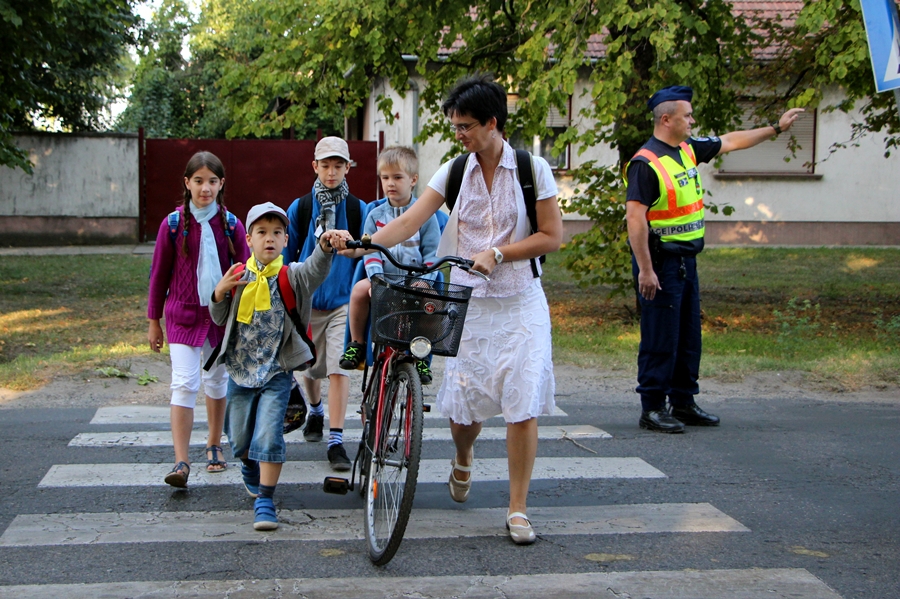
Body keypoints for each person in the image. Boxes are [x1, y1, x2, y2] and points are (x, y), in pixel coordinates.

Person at [335, 74, 563, 545]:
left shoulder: (532, 168)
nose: (458, 134)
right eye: (455, 126)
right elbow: (409, 221)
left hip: (521, 301)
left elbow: (551, 236)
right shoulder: (454, 171)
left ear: (492, 123)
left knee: (522, 403)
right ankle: (464, 455)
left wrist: (500, 253)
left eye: (465, 126)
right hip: (470, 301)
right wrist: (360, 243)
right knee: (465, 411)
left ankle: (517, 508)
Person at [625, 85, 804, 433]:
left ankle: (683, 401)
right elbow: (635, 220)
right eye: (687, 115)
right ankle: (652, 407)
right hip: (660, 263)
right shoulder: (645, 163)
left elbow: (733, 140)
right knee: (660, 336)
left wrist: (777, 128)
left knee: (689, 335)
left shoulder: (687, 149)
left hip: (685, 262)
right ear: (667, 119)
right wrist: (645, 270)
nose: (692, 120)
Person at [209, 202, 350, 530]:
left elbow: (316, 268)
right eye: (261, 232)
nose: (269, 239)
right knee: (239, 438)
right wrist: (219, 293)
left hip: (276, 374)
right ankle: (247, 464)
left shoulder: (293, 276)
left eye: (276, 233)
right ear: (249, 239)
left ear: (286, 240)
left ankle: (266, 501)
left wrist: (325, 246)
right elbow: (218, 319)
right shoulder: (238, 276)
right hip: (240, 373)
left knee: (270, 436)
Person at [148, 151, 251, 489]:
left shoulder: (232, 225)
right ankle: (180, 461)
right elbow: (159, 275)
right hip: (182, 315)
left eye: (212, 181)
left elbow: (246, 270)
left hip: (220, 318)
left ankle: (214, 443)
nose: (205, 188)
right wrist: (154, 320)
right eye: (198, 181)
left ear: (221, 184)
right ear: (187, 183)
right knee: (184, 383)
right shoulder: (173, 225)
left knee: (217, 381)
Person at [283, 137, 366, 472]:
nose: (332, 172)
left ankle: (336, 440)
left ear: (348, 168)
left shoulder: (360, 209)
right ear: (314, 167)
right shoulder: (300, 209)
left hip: (343, 301)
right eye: (325, 165)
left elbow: (366, 252)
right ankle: (315, 409)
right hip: (308, 301)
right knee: (309, 367)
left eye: (338, 165)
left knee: (338, 367)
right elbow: (286, 261)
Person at [339, 145, 442, 384]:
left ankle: (422, 357)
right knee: (358, 291)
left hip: (415, 280)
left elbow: (433, 254)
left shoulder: (424, 215)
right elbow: (370, 251)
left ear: (413, 179)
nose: (390, 183)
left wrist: (423, 279)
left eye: (397, 177)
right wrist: (376, 280)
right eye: (385, 178)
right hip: (384, 278)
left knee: (431, 299)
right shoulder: (375, 215)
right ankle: (357, 344)